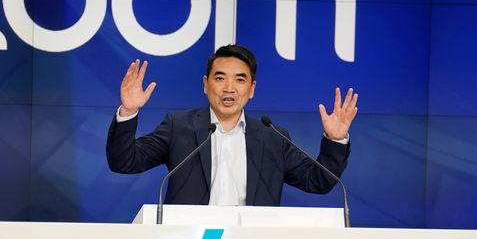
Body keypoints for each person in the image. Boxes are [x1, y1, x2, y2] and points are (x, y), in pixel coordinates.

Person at [106, 44, 358, 206]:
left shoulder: (273, 137)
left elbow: (319, 182)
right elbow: (124, 162)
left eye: (240, 80)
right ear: (206, 85)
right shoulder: (179, 126)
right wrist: (129, 111)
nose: (229, 88)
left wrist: (335, 140)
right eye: (220, 78)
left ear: (252, 89)